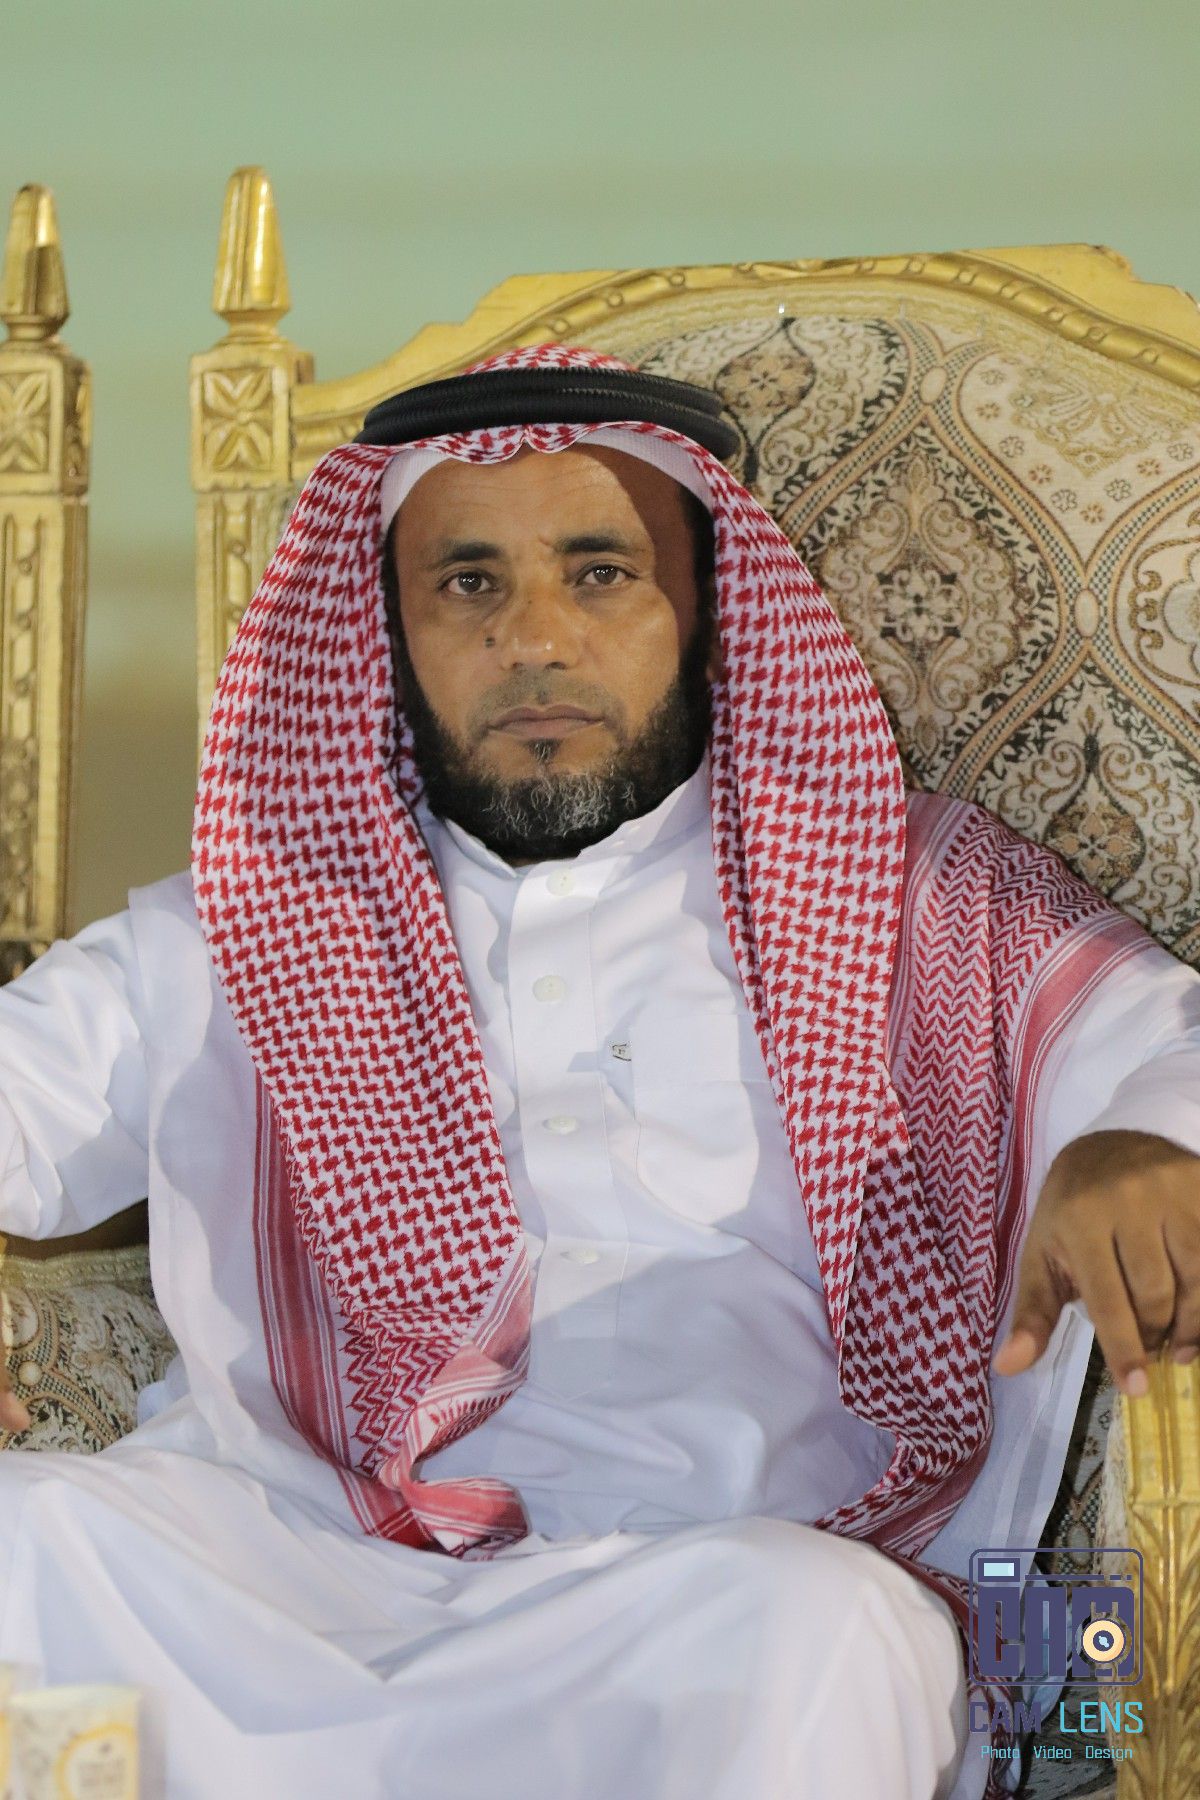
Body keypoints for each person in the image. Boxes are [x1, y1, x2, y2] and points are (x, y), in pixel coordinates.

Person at [2, 343, 1199, 1800]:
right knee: (23, 1538)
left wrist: (1137, 1147)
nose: (535, 639)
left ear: (705, 608)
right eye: (469, 583)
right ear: (385, 629)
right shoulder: (254, 916)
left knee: (822, 1634)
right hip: (294, 1578)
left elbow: (1169, 1050)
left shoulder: (918, 897)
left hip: (723, 1589)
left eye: (600, 573)